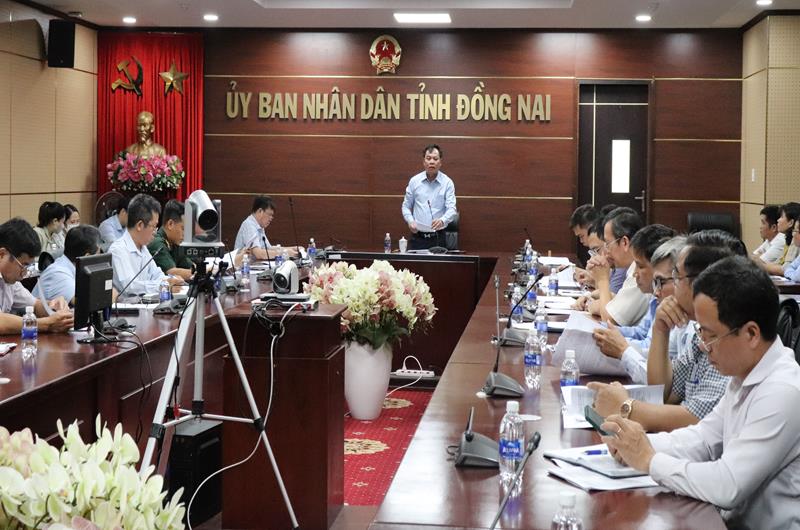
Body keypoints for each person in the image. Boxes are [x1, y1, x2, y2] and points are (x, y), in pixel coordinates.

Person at [600, 256, 800, 530]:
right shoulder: (745, 373)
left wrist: (649, 460)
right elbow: (704, 439)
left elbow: (728, 484)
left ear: (751, 334)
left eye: (710, 335)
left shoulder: (783, 391)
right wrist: (635, 445)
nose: (704, 346)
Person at [590, 230, 745, 432]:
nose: (656, 291)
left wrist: (626, 406)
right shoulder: (700, 332)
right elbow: (664, 393)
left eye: (675, 278)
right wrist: (660, 329)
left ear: (702, 282)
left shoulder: (728, 336)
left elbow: (698, 419)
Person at [591, 226, 677, 383]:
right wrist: (600, 331)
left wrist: (621, 347)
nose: (635, 272)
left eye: (640, 266)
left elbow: (650, 353)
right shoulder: (657, 295)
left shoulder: (680, 314)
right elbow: (641, 332)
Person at [0, 218, 73, 334]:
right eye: (23, 266)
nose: (24, 274)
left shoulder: (9, 280)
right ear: (2, 254)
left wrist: (53, 307)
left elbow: (35, 305)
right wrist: (47, 324)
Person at [586, 207, 649, 326]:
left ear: (624, 242)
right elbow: (615, 301)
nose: (606, 251)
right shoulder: (631, 268)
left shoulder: (640, 272)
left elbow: (610, 321)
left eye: (608, 244)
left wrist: (602, 279)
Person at [108, 193, 182, 295]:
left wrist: (171, 281)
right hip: (126, 305)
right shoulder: (118, 250)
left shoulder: (143, 247)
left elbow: (157, 275)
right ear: (140, 225)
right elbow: (130, 287)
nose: (155, 232)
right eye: (154, 226)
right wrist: (163, 286)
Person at [401, 144, 457, 250]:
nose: (431, 162)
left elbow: (452, 209)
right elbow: (406, 206)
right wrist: (410, 221)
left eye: (435, 159)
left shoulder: (447, 183)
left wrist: (442, 220)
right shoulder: (414, 181)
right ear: (424, 162)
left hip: (438, 237)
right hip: (418, 238)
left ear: (440, 162)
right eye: (428, 158)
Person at [32, 225, 107, 304]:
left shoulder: (76, 268)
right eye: (98, 254)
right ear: (87, 257)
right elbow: (86, 303)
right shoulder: (58, 274)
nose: (100, 258)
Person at [234, 195, 298, 261]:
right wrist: (284, 253)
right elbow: (259, 254)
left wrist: (292, 248)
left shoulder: (259, 226)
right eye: (270, 214)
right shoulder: (249, 225)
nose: (271, 218)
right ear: (260, 211)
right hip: (243, 266)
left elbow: (268, 248)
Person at [147, 199, 193, 281]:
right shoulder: (157, 243)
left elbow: (189, 265)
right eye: (183, 229)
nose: (186, 234)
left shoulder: (175, 242)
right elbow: (171, 272)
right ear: (170, 224)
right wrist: (201, 273)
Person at [760, 201, 800, 276]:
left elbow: (785, 269)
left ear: (791, 223)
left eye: (781, 217)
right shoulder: (787, 238)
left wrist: (761, 265)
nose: (778, 220)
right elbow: (779, 263)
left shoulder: (795, 240)